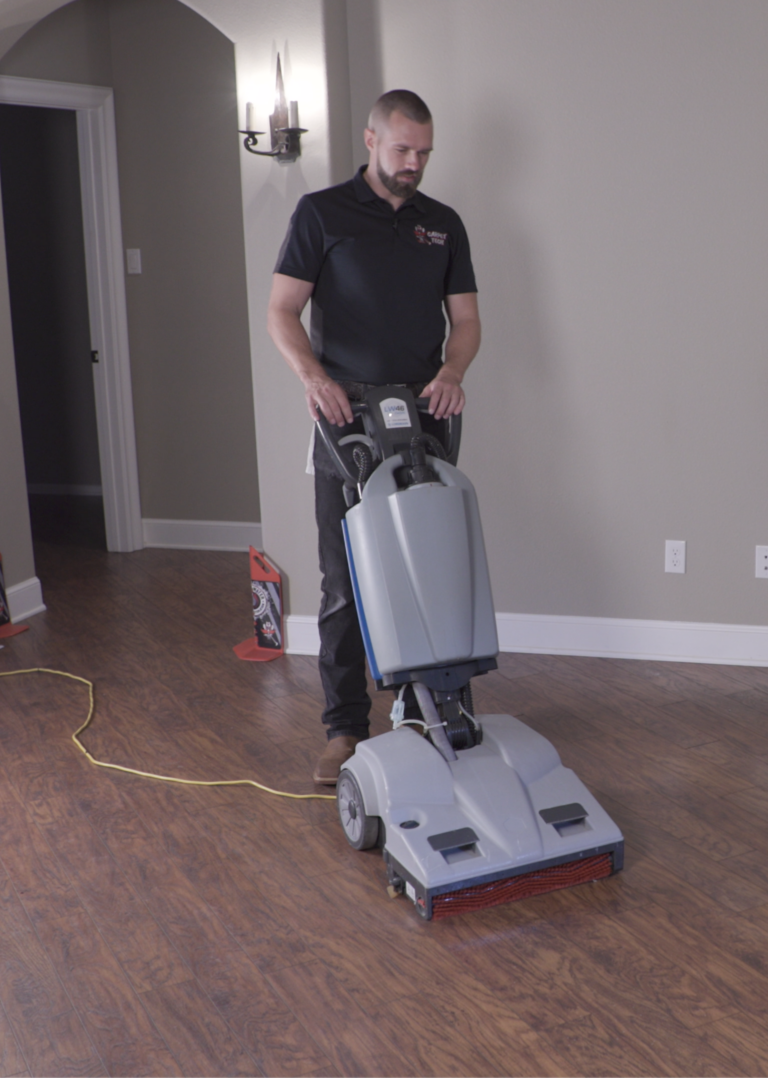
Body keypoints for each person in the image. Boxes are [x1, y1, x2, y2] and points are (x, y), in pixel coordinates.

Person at [266, 89, 481, 785]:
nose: (413, 163)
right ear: (370, 140)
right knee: (345, 579)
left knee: (430, 565)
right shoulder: (322, 213)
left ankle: (429, 709)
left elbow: (467, 320)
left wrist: (453, 369)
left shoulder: (442, 224)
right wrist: (312, 377)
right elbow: (282, 309)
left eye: (424, 153)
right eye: (402, 150)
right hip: (345, 417)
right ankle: (344, 729)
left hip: (425, 414)